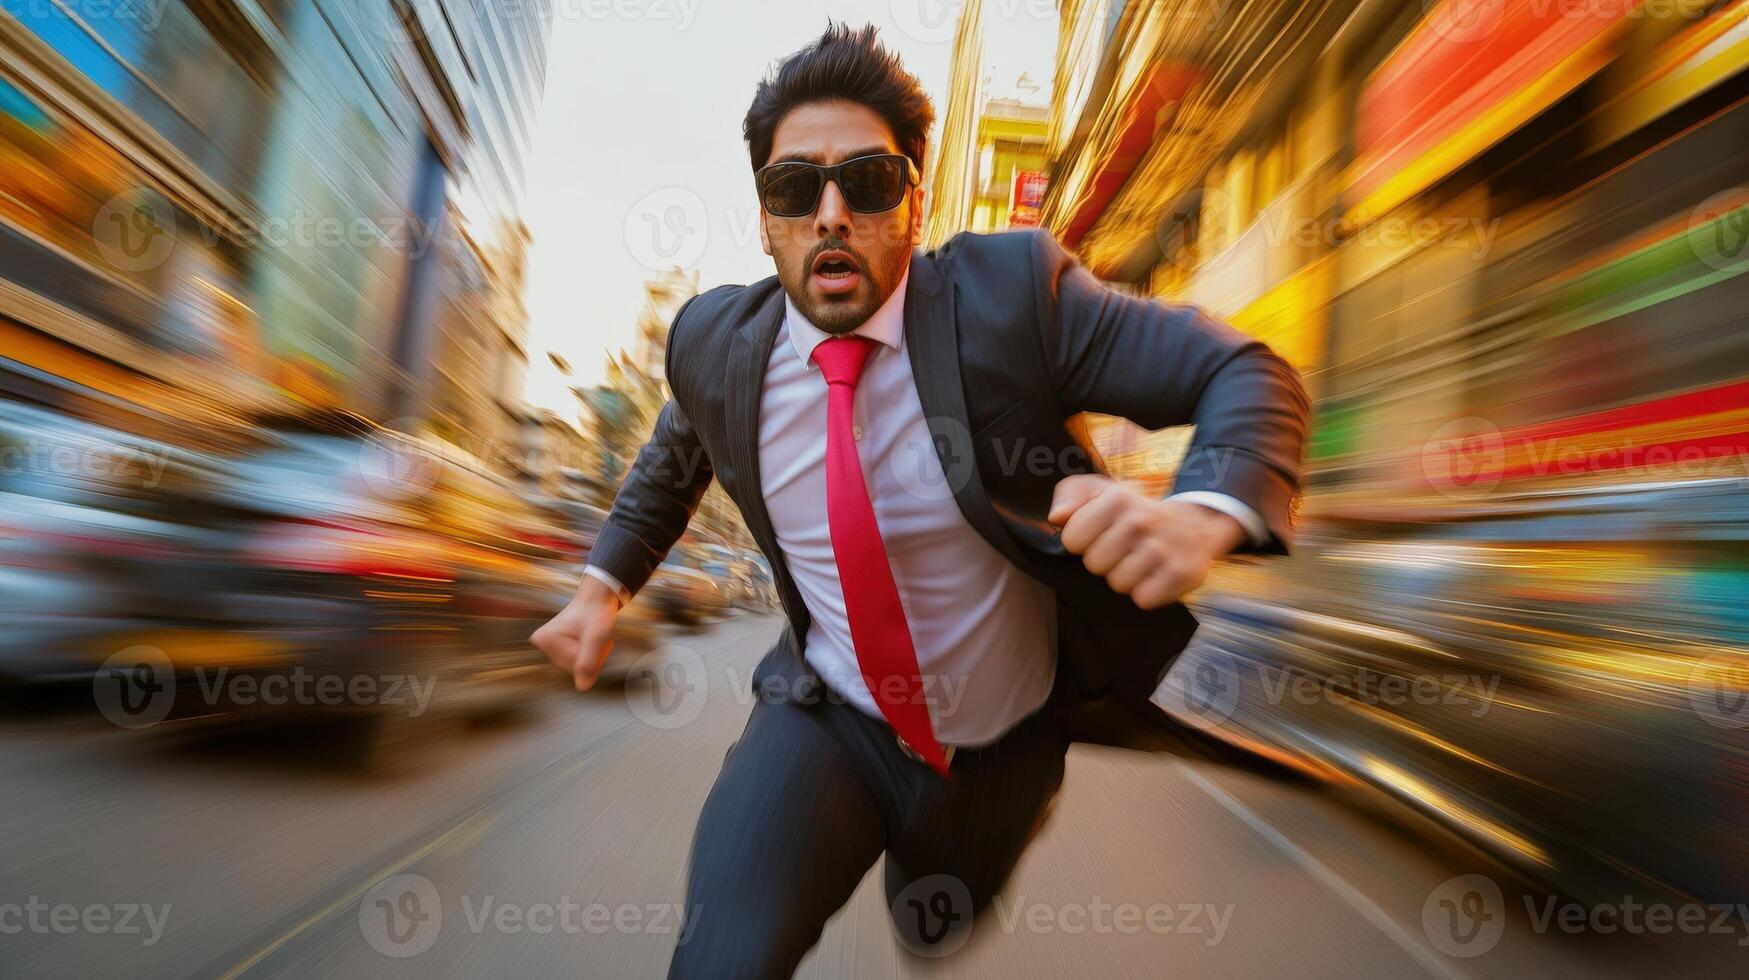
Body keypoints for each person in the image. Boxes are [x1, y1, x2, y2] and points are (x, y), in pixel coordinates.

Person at [532, 22, 1309, 978]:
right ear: (765, 220)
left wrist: (1202, 516)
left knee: (929, 929)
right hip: (825, 717)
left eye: (867, 181)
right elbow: (669, 461)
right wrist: (600, 589)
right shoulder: (711, 347)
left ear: (917, 202)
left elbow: (1249, 373)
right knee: (722, 959)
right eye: (793, 189)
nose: (830, 214)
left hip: (1000, 750)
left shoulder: (1012, 300)